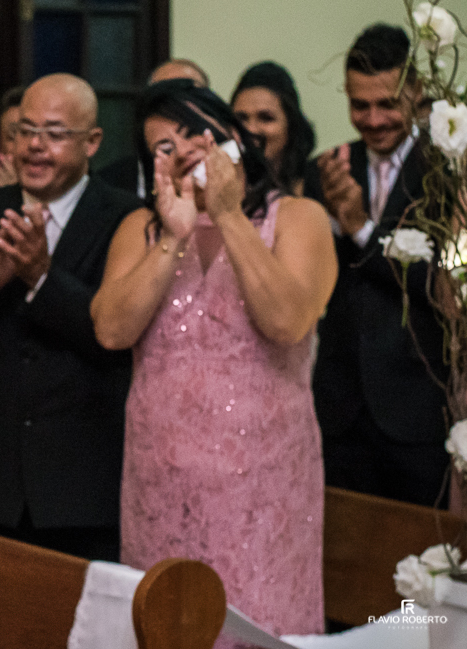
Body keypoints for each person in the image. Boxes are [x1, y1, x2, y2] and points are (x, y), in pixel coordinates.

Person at [91, 79, 337, 640]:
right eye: (163, 147)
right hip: (161, 484)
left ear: (231, 136)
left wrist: (228, 215)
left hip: (264, 487)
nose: (185, 152)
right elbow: (110, 329)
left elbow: (287, 321)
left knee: (260, 625)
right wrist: (174, 235)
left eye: (194, 133)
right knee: (166, 629)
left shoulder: (299, 218)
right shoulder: (141, 228)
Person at [0, 73, 140, 560]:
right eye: (24, 132)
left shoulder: (126, 218)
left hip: (84, 492)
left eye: (55, 135)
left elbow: (114, 340)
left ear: (92, 142)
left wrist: (40, 276)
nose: (35, 147)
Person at [303, 24, 449, 507]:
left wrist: (362, 229)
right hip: (340, 408)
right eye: (359, 106)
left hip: (417, 408)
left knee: (417, 572)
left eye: (387, 104)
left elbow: (443, 285)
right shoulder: (327, 169)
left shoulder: (447, 173)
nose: (373, 119)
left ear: (417, 93)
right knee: (347, 565)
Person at [100, 58, 212, 197]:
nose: (175, 107)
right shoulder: (109, 184)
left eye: (188, 94)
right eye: (161, 99)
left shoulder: (239, 159)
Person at [231, 61, 316, 195]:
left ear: (291, 125)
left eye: (266, 118)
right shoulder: (220, 190)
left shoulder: (317, 187)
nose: (251, 129)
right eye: (241, 119)